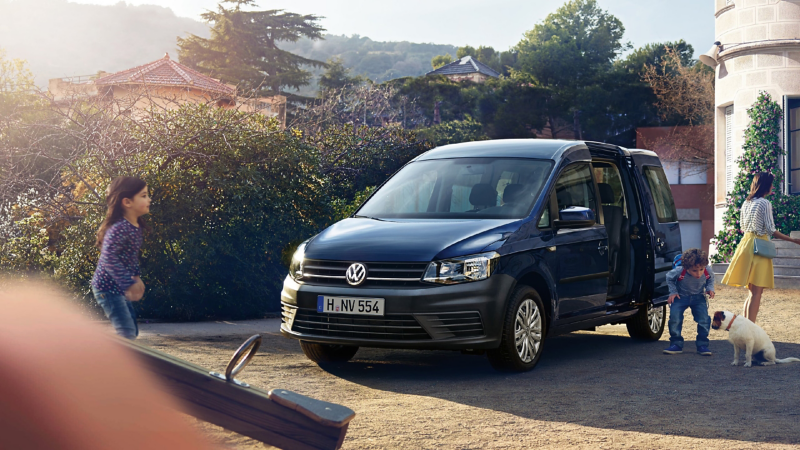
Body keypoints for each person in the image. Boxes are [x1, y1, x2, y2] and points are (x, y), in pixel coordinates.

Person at [721, 172, 800, 323]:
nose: (772, 187)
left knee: (752, 292)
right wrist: (794, 240)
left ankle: (746, 328)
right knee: (757, 292)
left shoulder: (746, 202)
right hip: (759, 246)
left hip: (746, 244)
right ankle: (750, 330)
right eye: (771, 184)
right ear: (766, 186)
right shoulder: (765, 203)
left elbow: (743, 226)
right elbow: (771, 230)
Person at [91, 177, 150, 339]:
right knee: (127, 333)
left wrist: (136, 277)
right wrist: (128, 282)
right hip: (106, 288)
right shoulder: (119, 229)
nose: (149, 199)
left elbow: (130, 258)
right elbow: (108, 258)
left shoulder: (135, 227)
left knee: (132, 332)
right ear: (127, 202)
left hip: (118, 288)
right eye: (144, 196)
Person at [663, 248, 716, 356]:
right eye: (694, 271)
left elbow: (711, 278)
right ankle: (676, 344)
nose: (698, 274)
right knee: (675, 319)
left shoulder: (707, 270)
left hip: (698, 297)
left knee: (704, 320)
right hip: (680, 297)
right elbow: (669, 277)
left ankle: (702, 344)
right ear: (686, 267)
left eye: (701, 269)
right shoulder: (679, 271)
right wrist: (673, 292)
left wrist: (710, 288)